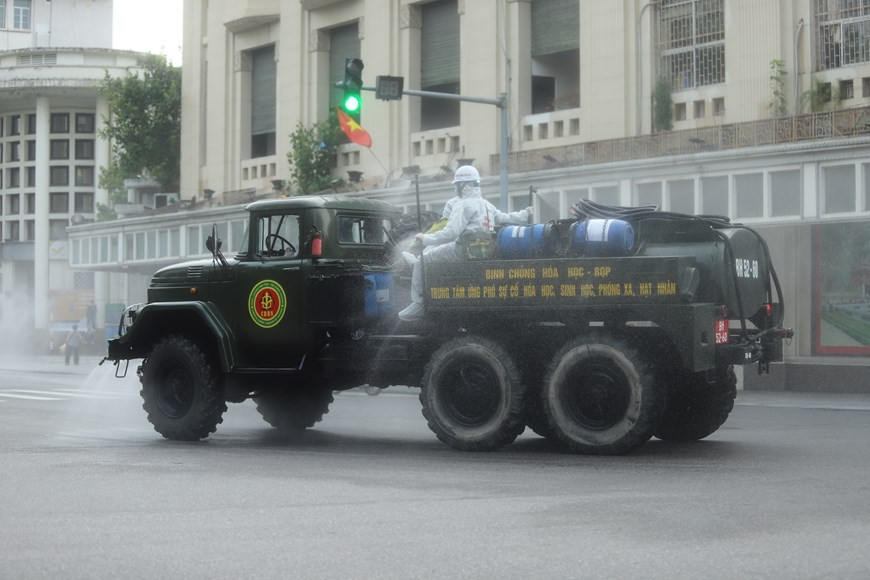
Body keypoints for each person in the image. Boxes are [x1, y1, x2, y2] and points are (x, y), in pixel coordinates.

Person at [398, 165, 532, 321]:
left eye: (457, 185)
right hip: (485, 250)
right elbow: (504, 217)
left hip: (464, 250)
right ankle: (415, 263)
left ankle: (419, 303)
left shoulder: (463, 204)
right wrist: (524, 214)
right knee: (436, 248)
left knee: (423, 260)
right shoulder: (485, 204)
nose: (456, 188)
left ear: (464, 185)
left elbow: (450, 233)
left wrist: (425, 238)